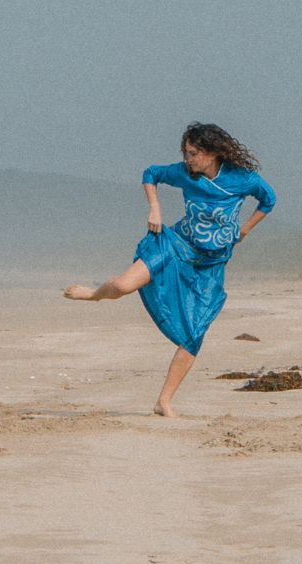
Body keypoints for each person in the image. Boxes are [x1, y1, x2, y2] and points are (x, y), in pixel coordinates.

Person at [63, 123, 275, 417]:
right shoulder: (184, 174)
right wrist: (155, 209)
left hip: (209, 265)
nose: (188, 159)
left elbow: (269, 200)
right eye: (186, 153)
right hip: (175, 245)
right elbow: (151, 174)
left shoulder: (243, 179)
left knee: (194, 333)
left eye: (194, 153)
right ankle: (95, 294)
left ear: (213, 153)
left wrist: (245, 230)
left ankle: (163, 401)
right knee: (123, 287)